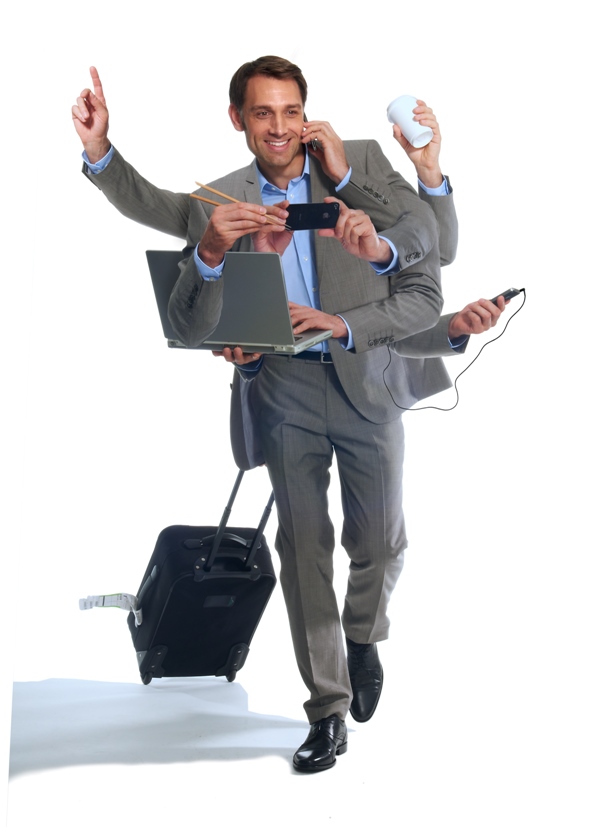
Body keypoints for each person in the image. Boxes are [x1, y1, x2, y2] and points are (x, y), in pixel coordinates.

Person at [72, 59, 506, 773]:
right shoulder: (222, 196)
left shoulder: (357, 162)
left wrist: (402, 172)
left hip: (367, 376)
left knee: (381, 544)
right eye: (262, 112)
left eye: (290, 110)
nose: (279, 127)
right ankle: (327, 708)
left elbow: (437, 244)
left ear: (306, 112)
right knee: (303, 552)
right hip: (282, 387)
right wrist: (99, 151)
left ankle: (363, 634)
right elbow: (152, 204)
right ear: (238, 119)